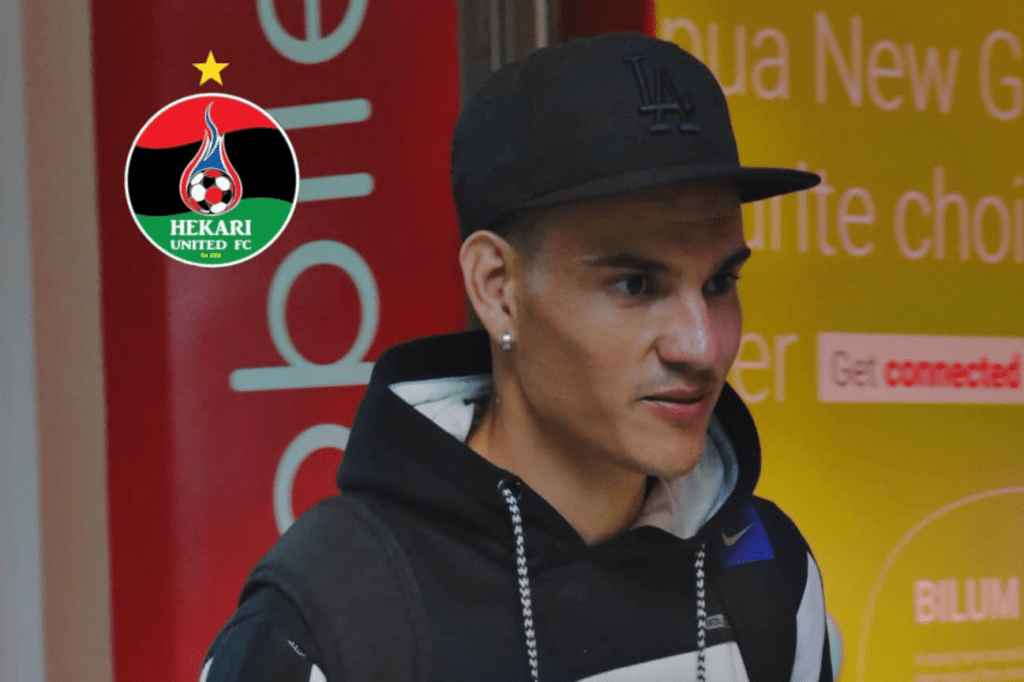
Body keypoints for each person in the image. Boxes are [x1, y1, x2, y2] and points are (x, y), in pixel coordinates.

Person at [200, 33, 835, 682]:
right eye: (636, 285)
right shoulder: (329, 620)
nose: (701, 347)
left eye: (720, 282)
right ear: (498, 289)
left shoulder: (769, 574)